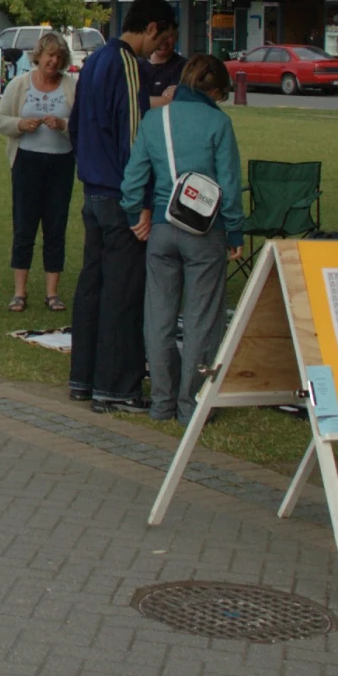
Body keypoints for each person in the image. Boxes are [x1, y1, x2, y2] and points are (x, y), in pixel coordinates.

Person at [121, 53, 245, 423]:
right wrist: (234, 229)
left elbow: (133, 179)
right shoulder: (218, 124)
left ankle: (162, 402)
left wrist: (134, 213)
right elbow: (230, 185)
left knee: (158, 318)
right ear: (215, 90)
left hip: (161, 227)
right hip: (205, 232)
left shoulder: (155, 119)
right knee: (201, 320)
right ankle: (192, 404)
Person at [68, 0, 176, 413]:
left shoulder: (94, 60)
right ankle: (117, 386)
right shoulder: (130, 65)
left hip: (93, 189)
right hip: (118, 195)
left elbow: (76, 125)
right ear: (150, 29)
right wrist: (140, 204)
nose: (159, 48)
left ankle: (84, 376)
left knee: (91, 286)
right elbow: (134, 138)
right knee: (123, 292)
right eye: (161, 38)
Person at [0, 31, 78, 314]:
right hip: (26, 162)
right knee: (24, 225)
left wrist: (63, 125)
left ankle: (52, 293)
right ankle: (19, 292)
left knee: (56, 226)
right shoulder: (19, 85)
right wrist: (21, 124)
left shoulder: (71, 86)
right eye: (49, 56)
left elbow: (82, 126)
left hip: (61, 164)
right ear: (38, 56)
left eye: (58, 57)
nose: (53, 62)